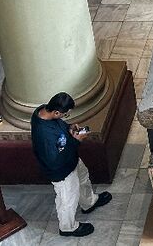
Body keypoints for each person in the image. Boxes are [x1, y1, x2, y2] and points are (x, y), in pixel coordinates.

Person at [31, 92, 112, 238]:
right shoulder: (44, 135)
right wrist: (76, 141)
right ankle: (67, 227)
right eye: (65, 114)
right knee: (68, 199)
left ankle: (89, 203)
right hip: (61, 171)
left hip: (71, 160)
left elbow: (58, 127)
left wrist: (69, 128)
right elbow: (54, 160)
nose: (65, 116)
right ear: (56, 112)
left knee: (83, 179)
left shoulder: (45, 111)